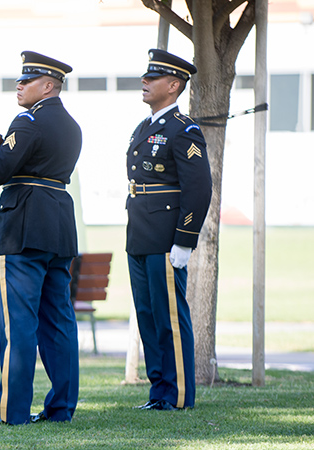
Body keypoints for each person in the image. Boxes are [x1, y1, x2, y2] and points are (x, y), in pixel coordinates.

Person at [0, 51, 82, 425]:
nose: (20, 85)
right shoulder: (71, 125)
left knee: (18, 324)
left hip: (23, 227)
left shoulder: (27, 121)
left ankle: (14, 411)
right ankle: (60, 408)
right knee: (58, 323)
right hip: (58, 225)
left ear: (49, 86)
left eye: (29, 80)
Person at [126, 49, 212, 411]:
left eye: (153, 78)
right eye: (146, 77)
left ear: (173, 85)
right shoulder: (145, 127)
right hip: (140, 231)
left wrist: (185, 240)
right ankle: (159, 390)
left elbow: (199, 188)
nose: (144, 82)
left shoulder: (183, 129)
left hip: (165, 234)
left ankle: (177, 394)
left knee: (169, 316)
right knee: (147, 316)